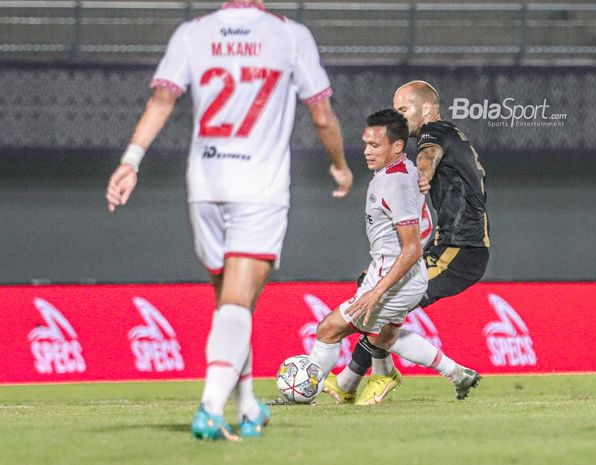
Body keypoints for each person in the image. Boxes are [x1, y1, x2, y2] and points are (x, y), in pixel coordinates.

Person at [105, 0, 353, 441]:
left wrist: (131, 160)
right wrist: (339, 164)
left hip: (204, 185)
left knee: (232, 306)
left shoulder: (193, 32)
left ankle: (250, 406)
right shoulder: (289, 34)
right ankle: (211, 407)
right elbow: (321, 114)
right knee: (238, 304)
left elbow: (162, 100)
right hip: (258, 188)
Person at [323, 80, 488, 405]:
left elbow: (428, 155)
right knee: (378, 305)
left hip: (460, 250)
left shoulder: (435, 133)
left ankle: (367, 377)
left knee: (377, 300)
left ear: (426, 109)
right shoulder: (452, 136)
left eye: (403, 109)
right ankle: (454, 374)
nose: (397, 117)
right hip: (450, 247)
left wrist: (423, 172)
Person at [309, 109, 433, 405]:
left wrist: (376, 291)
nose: (366, 151)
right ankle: (352, 386)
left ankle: (303, 392)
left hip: (393, 275)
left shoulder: (397, 182)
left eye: (374, 145)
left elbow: (412, 247)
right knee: (381, 336)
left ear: (397, 146)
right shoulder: (397, 173)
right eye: (365, 143)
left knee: (330, 329)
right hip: (390, 271)